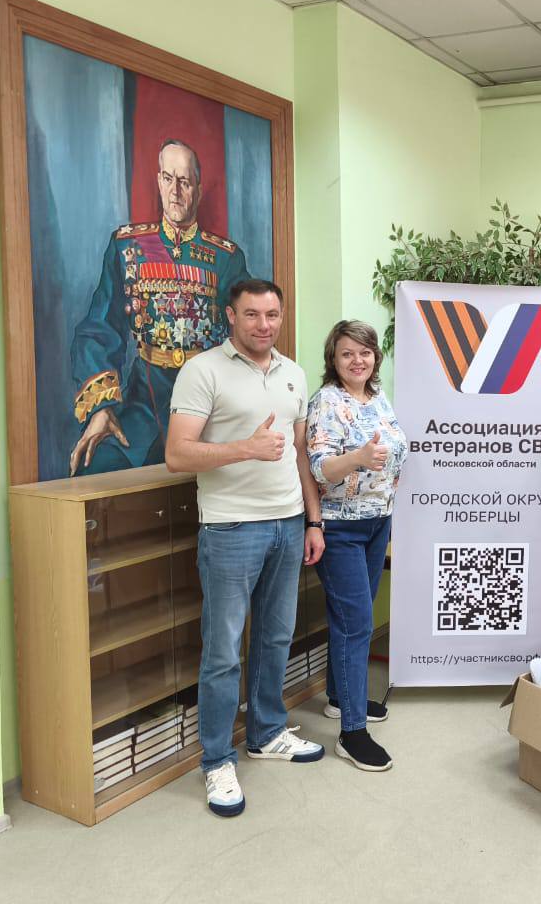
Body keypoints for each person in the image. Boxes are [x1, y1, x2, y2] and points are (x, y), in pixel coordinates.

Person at [165, 279, 326, 818]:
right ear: (231, 316)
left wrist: (312, 519)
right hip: (231, 528)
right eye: (252, 314)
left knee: (276, 636)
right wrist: (246, 448)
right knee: (223, 650)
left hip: (287, 524)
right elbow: (177, 454)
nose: (264, 324)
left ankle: (267, 732)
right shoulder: (202, 371)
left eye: (272, 314)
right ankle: (216, 760)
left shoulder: (293, 373)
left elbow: (299, 453)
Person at [71, 139, 253, 476]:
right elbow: (100, 328)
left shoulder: (226, 257)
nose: (175, 191)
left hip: (207, 399)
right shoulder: (127, 247)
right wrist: (102, 408)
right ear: (158, 181)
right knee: (96, 465)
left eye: (184, 182)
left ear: (198, 189)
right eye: (168, 179)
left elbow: (248, 333)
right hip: (146, 398)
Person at [306, 320, 407, 772]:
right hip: (340, 529)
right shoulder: (326, 401)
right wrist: (359, 459)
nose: (357, 360)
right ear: (334, 358)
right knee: (357, 625)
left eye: (365, 352)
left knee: (351, 618)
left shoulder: (377, 396)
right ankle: (352, 732)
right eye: (347, 353)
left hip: (377, 523)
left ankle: (337, 696)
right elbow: (320, 469)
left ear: (375, 358)